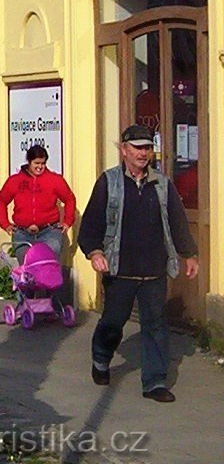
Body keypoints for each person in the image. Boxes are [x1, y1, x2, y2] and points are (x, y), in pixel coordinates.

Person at [78, 123, 199, 403]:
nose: (143, 153)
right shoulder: (109, 182)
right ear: (124, 150)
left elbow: (177, 221)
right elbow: (92, 222)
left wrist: (189, 254)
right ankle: (101, 358)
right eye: (137, 148)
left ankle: (155, 382)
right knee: (112, 322)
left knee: (155, 324)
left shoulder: (162, 183)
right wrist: (95, 252)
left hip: (154, 269)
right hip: (119, 269)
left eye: (147, 148)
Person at [0, 144, 76, 262]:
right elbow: (1, 201)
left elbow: (69, 199)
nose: (40, 167)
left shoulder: (55, 180)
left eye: (43, 163)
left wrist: (67, 222)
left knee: (47, 268)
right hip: (22, 233)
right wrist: (5, 224)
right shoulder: (15, 180)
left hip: (49, 232)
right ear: (29, 162)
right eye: (36, 163)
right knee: (27, 270)